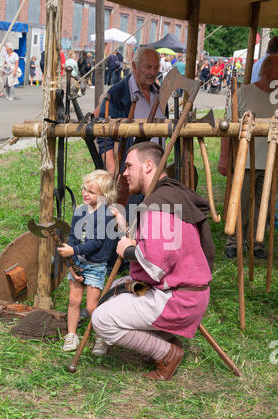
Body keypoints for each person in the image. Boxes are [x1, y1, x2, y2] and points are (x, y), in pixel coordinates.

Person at [91, 141, 214, 380]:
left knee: (102, 319)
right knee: (120, 286)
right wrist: (128, 232)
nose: (124, 173)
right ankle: (162, 336)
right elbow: (156, 246)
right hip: (187, 292)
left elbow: (156, 265)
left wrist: (127, 251)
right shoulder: (169, 194)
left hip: (178, 300)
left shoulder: (157, 205)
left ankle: (166, 351)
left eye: (128, 166)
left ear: (148, 166)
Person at [218, 55, 278, 259]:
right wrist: (224, 158)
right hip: (244, 162)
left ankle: (257, 243)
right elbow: (227, 129)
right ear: (267, 71)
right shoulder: (244, 93)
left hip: (271, 164)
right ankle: (234, 241)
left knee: (264, 206)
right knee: (240, 203)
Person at [57, 170, 117, 352]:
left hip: (95, 265)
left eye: (91, 192)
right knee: (73, 301)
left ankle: (101, 338)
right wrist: (71, 263)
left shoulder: (105, 216)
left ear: (103, 196)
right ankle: (71, 335)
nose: (85, 193)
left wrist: (73, 250)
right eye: (84, 189)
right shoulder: (80, 211)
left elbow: (96, 242)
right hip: (78, 262)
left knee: (92, 306)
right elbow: (74, 237)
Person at [98, 47, 165, 176]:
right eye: (148, 67)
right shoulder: (118, 93)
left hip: (156, 169)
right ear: (134, 66)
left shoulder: (160, 94)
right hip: (129, 174)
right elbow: (103, 136)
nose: (153, 72)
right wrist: (113, 171)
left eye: (156, 68)